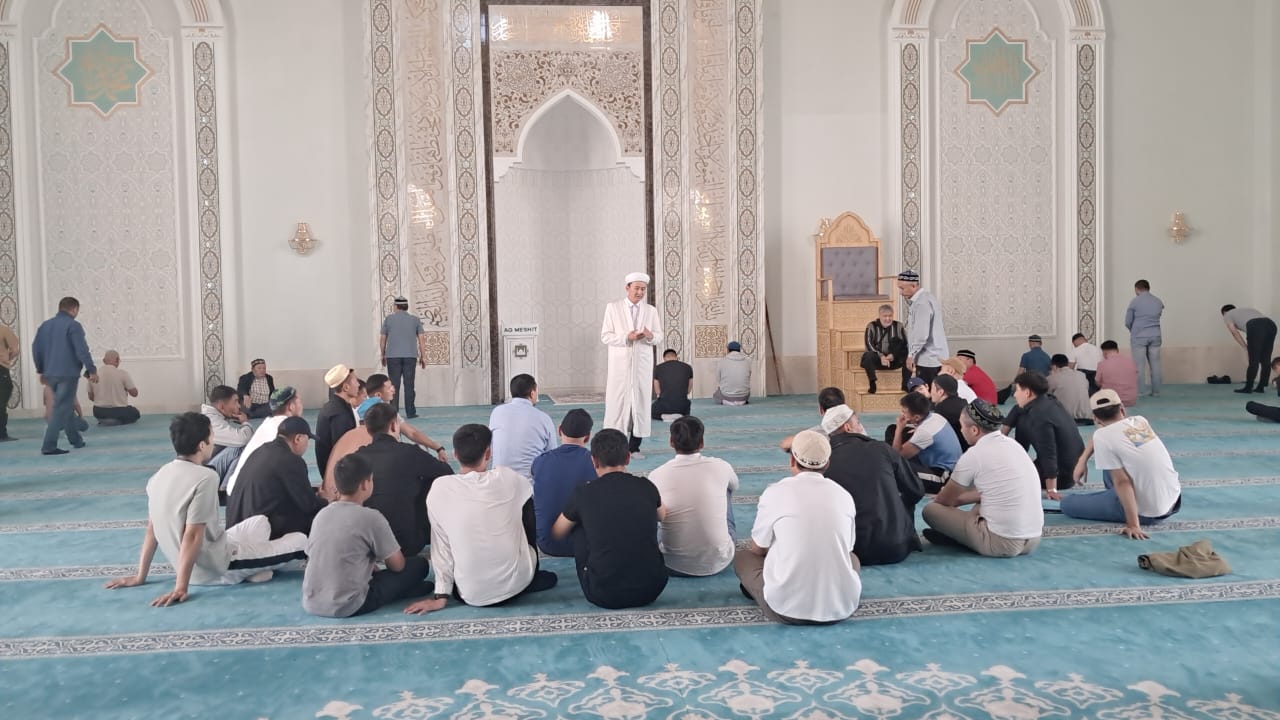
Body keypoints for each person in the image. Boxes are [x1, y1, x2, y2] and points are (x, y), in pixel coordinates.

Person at [104, 413, 307, 606]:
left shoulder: (158, 476)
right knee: (300, 541)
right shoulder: (205, 478)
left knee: (260, 522)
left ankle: (254, 569)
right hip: (216, 568)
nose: (213, 441)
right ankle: (247, 570)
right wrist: (181, 587)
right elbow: (193, 535)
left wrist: (140, 576)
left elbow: (152, 530)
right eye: (212, 437)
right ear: (202, 445)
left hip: (209, 551)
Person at [403, 424, 558, 614]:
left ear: (455, 455)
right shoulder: (508, 478)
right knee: (525, 503)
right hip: (518, 583)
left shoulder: (439, 488)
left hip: (469, 592)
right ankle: (532, 574)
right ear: (488, 453)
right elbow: (530, 492)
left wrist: (441, 596)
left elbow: (441, 545)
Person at [734, 430, 861, 625]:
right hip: (841, 607)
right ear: (827, 463)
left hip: (786, 609)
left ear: (792, 460)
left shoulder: (776, 492)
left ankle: (759, 589)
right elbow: (847, 548)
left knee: (743, 558)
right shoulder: (843, 495)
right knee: (852, 559)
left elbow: (758, 548)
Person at [302, 454, 432, 617]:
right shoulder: (371, 517)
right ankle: (406, 590)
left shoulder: (322, 514)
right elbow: (397, 566)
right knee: (419, 566)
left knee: (382, 575)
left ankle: (407, 589)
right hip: (349, 604)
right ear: (365, 484)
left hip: (311, 602)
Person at [551, 429, 668, 609]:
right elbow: (663, 516)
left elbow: (558, 531)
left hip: (602, 593)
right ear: (628, 458)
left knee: (577, 523)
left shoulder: (584, 493)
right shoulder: (646, 486)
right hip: (653, 588)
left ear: (594, 461)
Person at [921, 401, 1043, 557]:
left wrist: (951, 496)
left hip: (1001, 542)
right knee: (984, 502)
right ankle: (967, 533)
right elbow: (995, 490)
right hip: (1033, 539)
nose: (960, 430)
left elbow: (945, 501)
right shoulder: (1013, 445)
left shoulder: (974, 455)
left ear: (974, 430)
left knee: (930, 510)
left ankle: (964, 538)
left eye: (962, 426)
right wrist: (962, 498)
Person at [1062, 390, 1183, 538]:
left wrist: (1133, 525)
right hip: (1173, 500)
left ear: (1095, 418)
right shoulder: (1139, 422)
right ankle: (1114, 499)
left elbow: (1122, 482)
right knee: (1113, 458)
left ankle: (1120, 504)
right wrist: (1083, 460)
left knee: (1067, 504)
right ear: (1122, 409)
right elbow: (1102, 435)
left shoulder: (1104, 437)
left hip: (1148, 514)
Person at [821, 404, 923, 565]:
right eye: (858, 422)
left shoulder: (822, 462)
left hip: (850, 551)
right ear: (848, 427)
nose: (861, 426)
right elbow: (916, 490)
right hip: (896, 547)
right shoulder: (881, 449)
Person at [353, 403, 452, 557]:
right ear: (394, 426)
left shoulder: (357, 457)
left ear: (368, 429)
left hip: (368, 543)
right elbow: (447, 473)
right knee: (432, 481)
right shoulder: (409, 452)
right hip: (406, 543)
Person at [649, 416, 740, 577]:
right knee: (726, 488)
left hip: (671, 563)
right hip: (720, 561)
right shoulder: (721, 466)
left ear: (671, 442)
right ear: (702, 443)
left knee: (654, 505)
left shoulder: (657, 475)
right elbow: (735, 486)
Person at [226, 416, 328, 537]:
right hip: (254, 532)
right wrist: (326, 500)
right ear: (298, 438)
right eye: (308, 439)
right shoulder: (291, 460)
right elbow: (309, 505)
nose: (307, 445)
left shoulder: (262, 450)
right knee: (318, 517)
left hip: (236, 525)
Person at [601, 272, 664, 459]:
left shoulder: (650, 311)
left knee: (640, 404)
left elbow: (659, 336)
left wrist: (650, 335)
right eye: (636, 288)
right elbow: (605, 336)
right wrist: (626, 337)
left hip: (642, 365)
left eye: (643, 289)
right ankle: (616, 447)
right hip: (619, 366)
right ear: (627, 288)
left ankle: (634, 448)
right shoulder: (613, 308)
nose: (640, 292)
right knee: (618, 405)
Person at [32, 296, 97, 455]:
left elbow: (36, 349)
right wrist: (92, 369)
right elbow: (81, 350)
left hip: (50, 373)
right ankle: (49, 445)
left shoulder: (45, 326)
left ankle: (76, 440)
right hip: (67, 373)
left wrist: (41, 370)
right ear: (74, 309)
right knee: (60, 408)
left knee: (65, 407)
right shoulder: (73, 326)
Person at [1003, 372, 1084, 498]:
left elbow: (1048, 454)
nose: (1014, 395)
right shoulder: (1051, 401)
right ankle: (1018, 457)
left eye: (1017, 390)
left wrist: (1051, 489)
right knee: (1021, 415)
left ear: (1027, 393)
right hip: (1074, 467)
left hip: (1061, 475)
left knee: (1003, 478)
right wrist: (1006, 428)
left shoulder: (1038, 417)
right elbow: (1018, 409)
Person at [530, 408, 596, 557]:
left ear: (559, 430)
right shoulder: (595, 463)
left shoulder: (540, 461)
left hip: (547, 543)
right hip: (586, 544)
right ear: (587, 437)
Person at [225, 386, 303, 496]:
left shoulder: (268, 424)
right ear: (291, 406)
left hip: (235, 493)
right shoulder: (288, 429)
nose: (302, 405)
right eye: (300, 401)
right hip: (251, 497)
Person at [360, 373, 448, 460]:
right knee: (422, 449)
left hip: (367, 455)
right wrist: (438, 448)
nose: (393, 390)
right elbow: (411, 433)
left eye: (392, 386)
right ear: (378, 395)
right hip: (389, 455)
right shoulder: (387, 411)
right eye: (389, 388)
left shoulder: (360, 409)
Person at [891, 391, 962, 493]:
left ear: (917, 417)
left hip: (942, 476)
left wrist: (899, 429)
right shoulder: (935, 416)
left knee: (895, 468)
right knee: (891, 430)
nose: (901, 415)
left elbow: (896, 457)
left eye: (904, 412)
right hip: (947, 464)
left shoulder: (925, 432)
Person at [489, 373, 557, 480]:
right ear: (532, 393)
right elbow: (551, 455)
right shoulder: (543, 418)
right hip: (529, 485)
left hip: (499, 481)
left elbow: (492, 447)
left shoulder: (497, 412)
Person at [897, 269, 948, 384]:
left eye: (902, 288)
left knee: (926, 392)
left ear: (913, 286)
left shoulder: (921, 303)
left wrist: (911, 355)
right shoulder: (927, 297)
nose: (900, 292)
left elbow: (921, 335)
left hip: (928, 358)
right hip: (934, 357)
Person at [380, 296, 426, 418]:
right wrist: (423, 356)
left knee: (394, 385)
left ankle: (393, 412)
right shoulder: (415, 320)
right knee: (409, 385)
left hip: (392, 356)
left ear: (396, 306)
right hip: (410, 356)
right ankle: (410, 412)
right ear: (406, 307)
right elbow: (421, 339)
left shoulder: (389, 319)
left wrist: (382, 354)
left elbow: (383, 339)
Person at [200, 385, 254, 483]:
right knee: (240, 447)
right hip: (203, 475)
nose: (239, 406)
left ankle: (226, 486)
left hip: (204, 468)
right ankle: (224, 489)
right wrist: (245, 422)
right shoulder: (212, 421)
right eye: (235, 402)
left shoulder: (212, 417)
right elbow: (242, 439)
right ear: (221, 406)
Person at [315, 364, 361, 476]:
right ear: (346, 387)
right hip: (337, 476)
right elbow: (342, 451)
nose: (359, 384)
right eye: (356, 381)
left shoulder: (335, 406)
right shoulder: (339, 414)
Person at [1220, 305, 1277, 394]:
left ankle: (1248, 387)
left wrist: (1245, 346)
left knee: (1254, 360)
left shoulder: (1227, 315)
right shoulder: (1247, 310)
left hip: (1255, 326)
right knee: (1266, 359)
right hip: (1271, 325)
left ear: (1224, 312)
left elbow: (1234, 333)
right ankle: (1261, 386)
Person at [1125, 279, 1164, 397]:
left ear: (1137, 289)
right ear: (1148, 288)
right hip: (1156, 335)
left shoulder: (1135, 302)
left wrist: (1133, 330)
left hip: (1139, 336)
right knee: (1155, 364)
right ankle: (1156, 391)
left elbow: (1128, 321)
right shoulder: (1158, 301)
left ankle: (1140, 392)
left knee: (1139, 365)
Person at [859, 304, 910, 394]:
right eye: (885, 316)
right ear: (879, 316)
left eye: (890, 316)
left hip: (894, 360)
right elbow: (868, 344)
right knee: (868, 355)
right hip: (878, 359)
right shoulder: (871, 326)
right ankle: (872, 382)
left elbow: (904, 344)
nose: (888, 319)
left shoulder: (899, 326)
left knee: (908, 355)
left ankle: (905, 385)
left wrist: (893, 355)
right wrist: (881, 356)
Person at [780, 386, 845, 452]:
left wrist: (803, 436)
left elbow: (785, 445)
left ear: (821, 410)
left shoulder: (818, 433)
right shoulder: (851, 428)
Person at [88, 350, 140, 426]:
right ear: (117, 360)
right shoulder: (123, 373)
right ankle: (116, 421)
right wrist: (125, 389)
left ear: (103, 361)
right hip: (117, 411)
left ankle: (106, 421)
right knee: (135, 412)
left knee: (108, 413)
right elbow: (134, 394)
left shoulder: (93, 375)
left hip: (98, 412)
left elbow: (91, 397)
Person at [997, 335, 1051, 404]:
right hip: (1043, 386)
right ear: (1041, 343)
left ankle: (996, 399)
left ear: (1030, 343)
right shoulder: (1047, 357)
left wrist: (1014, 382)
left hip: (1030, 384)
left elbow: (1020, 372)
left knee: (1011, 388)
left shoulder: (1026, 355)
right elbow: (1050, 373)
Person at [1048, 354, 1093, 425]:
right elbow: (1086, 388)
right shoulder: (1082, 375)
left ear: (1054, 366)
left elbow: (1045, 396)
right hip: (1088, 419)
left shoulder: (1052, 378)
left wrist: (1052, 375)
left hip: (1066, 420)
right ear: (1067, 364)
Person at [930, 374, 970, 451]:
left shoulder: (941, 411)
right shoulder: (963, 402)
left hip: (959, 451)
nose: (930, 392)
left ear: (940, 392)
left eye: (932, 389)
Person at [651, 349, 693, 420]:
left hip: (663, 407)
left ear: (664, 358)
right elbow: (688, 390)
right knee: (687, 407)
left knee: (652, 410)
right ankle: (680, 416)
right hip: (682, 408)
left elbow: (657, 391)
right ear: (676, 357)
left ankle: (664, 416)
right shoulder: (688, 367)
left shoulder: (658, 368)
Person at [1095, 340, 1138, 407]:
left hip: (1112, 402)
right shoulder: (1130, 361)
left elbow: (1097, 383)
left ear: (1104, 352)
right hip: (1131, 401)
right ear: (1117, 350)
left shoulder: (1102, 364)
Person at [714, 341, 752, 405]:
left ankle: (727, 401)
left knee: (716, 395)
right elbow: (749, 377)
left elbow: (718, 379)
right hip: (744, 396)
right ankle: (742, 401)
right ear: (739, 350)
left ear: (728, 350)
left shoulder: (722, 361)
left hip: (727, 396)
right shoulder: (748, 361)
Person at [0, 322, 15, 441]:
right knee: (1, 402)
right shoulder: (4, 330)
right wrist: (6, 359)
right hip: (1, 369)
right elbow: (15, 349)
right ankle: (1, 434)